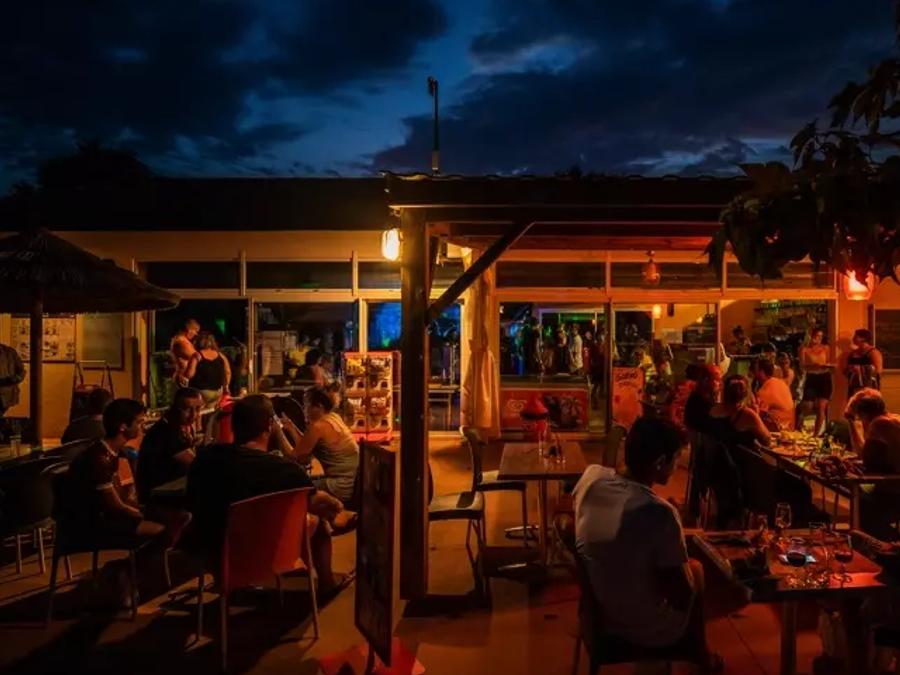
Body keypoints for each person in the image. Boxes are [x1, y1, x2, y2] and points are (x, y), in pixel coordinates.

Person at [573, 417, 722, 672]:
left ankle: (699, 652)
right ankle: (698, 651)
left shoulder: (591, 478)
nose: (676, 467)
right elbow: (681, 594)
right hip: (642, 627)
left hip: (598, 610)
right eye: (676, 459)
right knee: (696, 570)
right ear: (660, 462)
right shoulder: (658, 512)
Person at [185, 395, 347, 589]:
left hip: (213, 555)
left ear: (234, 426)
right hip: (269, 555)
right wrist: (337, 506)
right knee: (317, 521)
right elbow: (318, 502)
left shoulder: (203, 461)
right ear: (270, 425)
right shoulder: (284, 470)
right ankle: (327, 583)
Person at [65, 399, 166, 542]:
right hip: (96, 522)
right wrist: (143, 514)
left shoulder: (119, 453)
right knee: (163, 529)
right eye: (139, 422)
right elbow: (115, 506)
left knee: (176, 517)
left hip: (112, 515)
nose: (142, 427)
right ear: (123, 427)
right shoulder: (99, 458)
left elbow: (126, 494)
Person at [282, 386, 359, 507]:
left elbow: (297, 457)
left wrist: (278, 432)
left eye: (306, 406)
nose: (304, 410)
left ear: (319, 406)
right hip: (352, 482)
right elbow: (305, 446)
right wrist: (291, 428)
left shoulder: (318, 426)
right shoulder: (334, 417)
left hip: (340, 485)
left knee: (294, 490)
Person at [844, 389, 900, 541]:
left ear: (863, 414)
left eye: (858, 416)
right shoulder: (894, 418)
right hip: (893, 482)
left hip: (895, 491)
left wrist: (851, 423)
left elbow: (862, 455)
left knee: (862, 499)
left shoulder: (879, 424)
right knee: (865, 490)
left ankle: (884, 543)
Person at [137, 387, 203, 504]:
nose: (194, 415)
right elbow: (195, 464)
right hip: (157, 496)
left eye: (198, 409)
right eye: (187, 409)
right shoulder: (165, 431)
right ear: (175, 408)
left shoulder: (179, 426)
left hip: (171, 488)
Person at [707, 375, 770, 447]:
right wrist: (757, 415)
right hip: (738, 454)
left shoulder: (713, 409)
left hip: (714, 454)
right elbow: (767, 440)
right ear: (746, 394)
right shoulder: (747, 414)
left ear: (724, 391)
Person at [800, 328, 833, 436]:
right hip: (812, 377)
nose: (818, 339)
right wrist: (813, 366)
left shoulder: (825, 348)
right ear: (811, 336)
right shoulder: (804, 349)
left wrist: (827, 366)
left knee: (821, 407)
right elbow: (802, 366)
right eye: (817, 336)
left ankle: (816, 434)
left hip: (824, 377)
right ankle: (800, 425)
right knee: (807, 406)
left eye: (821, 337)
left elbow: (828, 362)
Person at [186, 332, 231, 405]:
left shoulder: (197, 356)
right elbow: (228, 372)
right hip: (217, 392)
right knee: (211, 411)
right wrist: (226, 387)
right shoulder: (221, 356)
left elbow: (189, 374)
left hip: (200, 393)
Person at [754, 359, 795, 431]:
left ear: (761, 372)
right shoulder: (781, 383)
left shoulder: (765, 390)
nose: (754, 374)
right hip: (790, 426)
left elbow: (756, 414)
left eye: (755, 371)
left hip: (779, 429)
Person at [684, 365, 721, 435]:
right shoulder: (698, 403)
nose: (720, 384)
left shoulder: (704, 399)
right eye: (717, 380)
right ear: (705, 380)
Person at [844, 328, 883, 396]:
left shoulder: (873, 352)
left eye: (855, 337)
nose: (853, 339)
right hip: (854, 386)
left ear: (863, 339)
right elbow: (846, 370)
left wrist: (860, 369)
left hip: (869, 386)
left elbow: (878, 370)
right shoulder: (852, 353)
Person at [171, 319, 200, 388]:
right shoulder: (180, 341)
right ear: (189, 329)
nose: (196, 334)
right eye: (195, 331)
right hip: (183, 378)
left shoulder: (184, 341)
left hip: (186, 377)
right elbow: (196, 356)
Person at [0, 341, 25, 418]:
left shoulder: (9, 352)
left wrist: (14, 379)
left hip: (7, 393)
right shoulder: (9, 352)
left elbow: (21, 371)